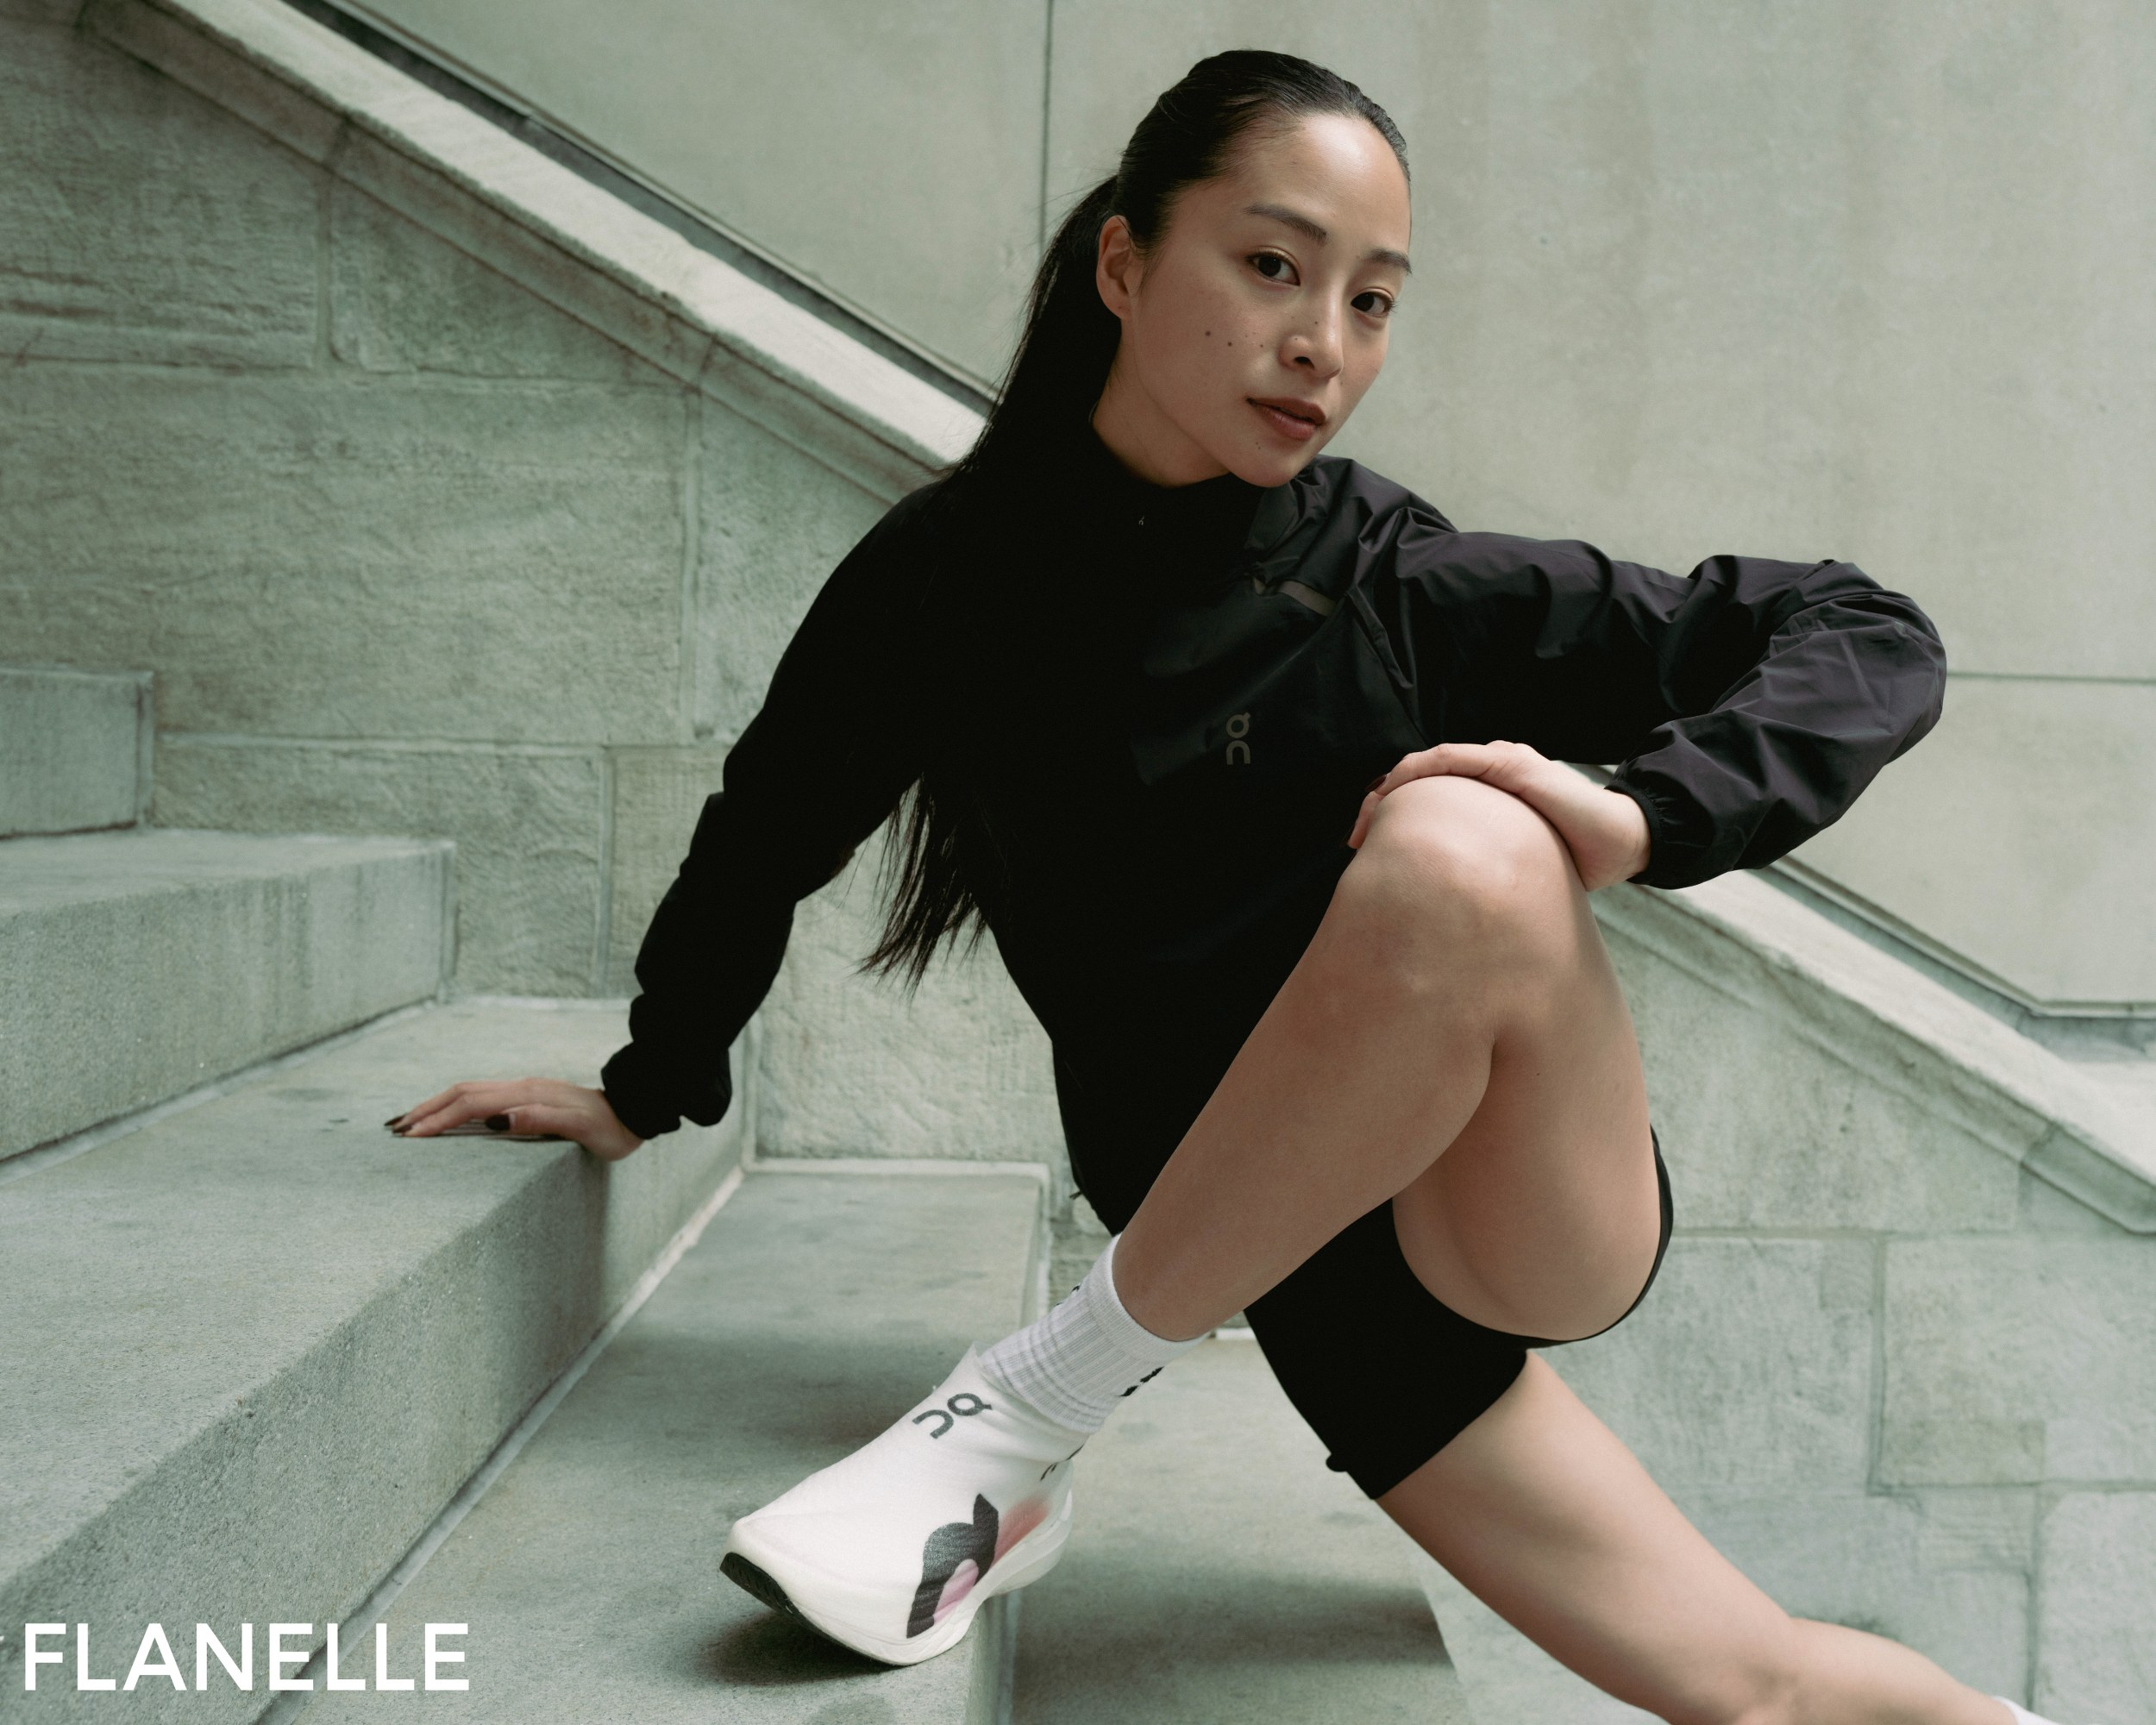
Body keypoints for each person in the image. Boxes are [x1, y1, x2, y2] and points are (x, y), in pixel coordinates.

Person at [387, 49, 2078, 1725]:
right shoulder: (942, 582)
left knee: (1469, 840)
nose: (1320, 345)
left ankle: (1021, 1416)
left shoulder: (1398, 581)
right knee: (1758, 1688)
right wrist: (643, 1084)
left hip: (1512, 1209)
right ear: (1123, 263)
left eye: (1370, 300)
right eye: (1272, 266)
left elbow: (1864, 629)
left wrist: (1641, 812)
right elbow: (769, 826)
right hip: (1273, 1246)